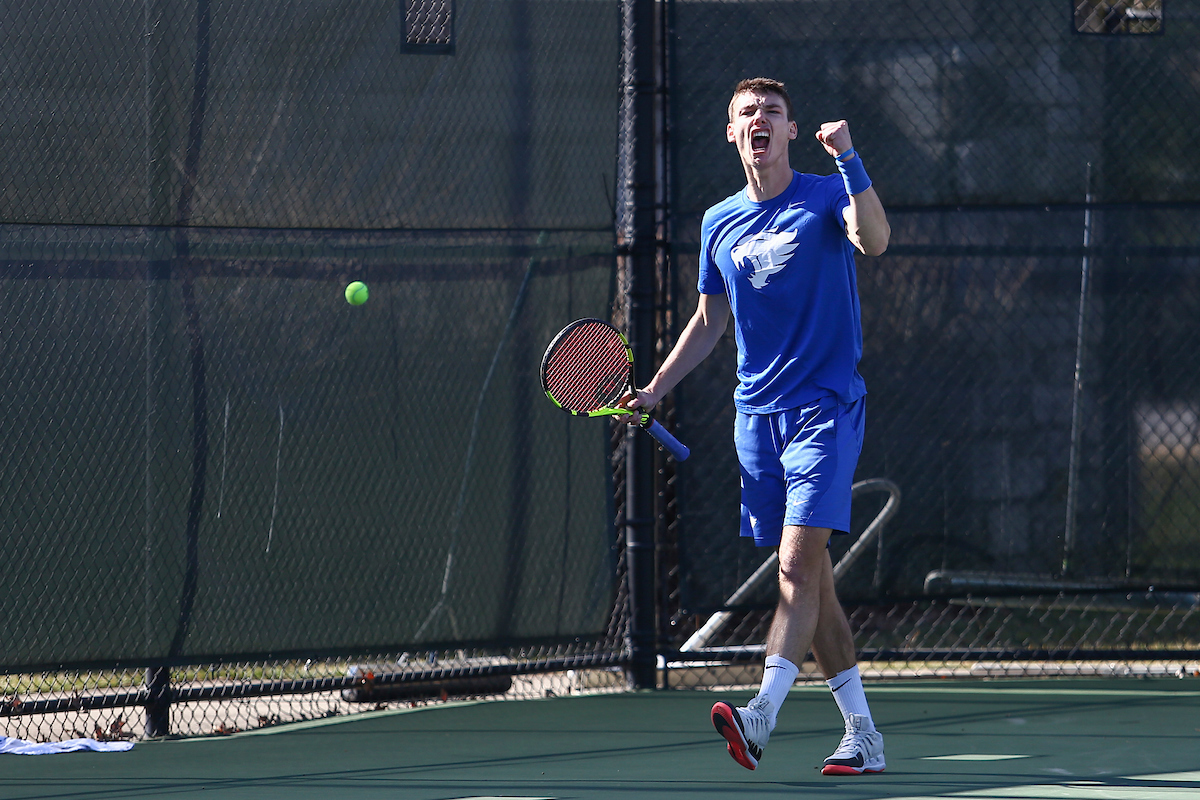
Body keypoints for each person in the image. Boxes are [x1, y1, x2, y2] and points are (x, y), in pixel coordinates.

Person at [622, 77, 890, 775]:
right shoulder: (719, 222)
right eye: (748, 112)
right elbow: (711, 321)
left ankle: (760, 715)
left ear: (792, 131)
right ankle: (863, 733)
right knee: (814, 578)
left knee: (797, 566)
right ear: (733, 134)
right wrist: (654, 387)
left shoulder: (827, 193)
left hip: (825, 408)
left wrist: (850, 160)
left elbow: (877, 240)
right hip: (756, 421)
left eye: (773, 111)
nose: (761, 119)